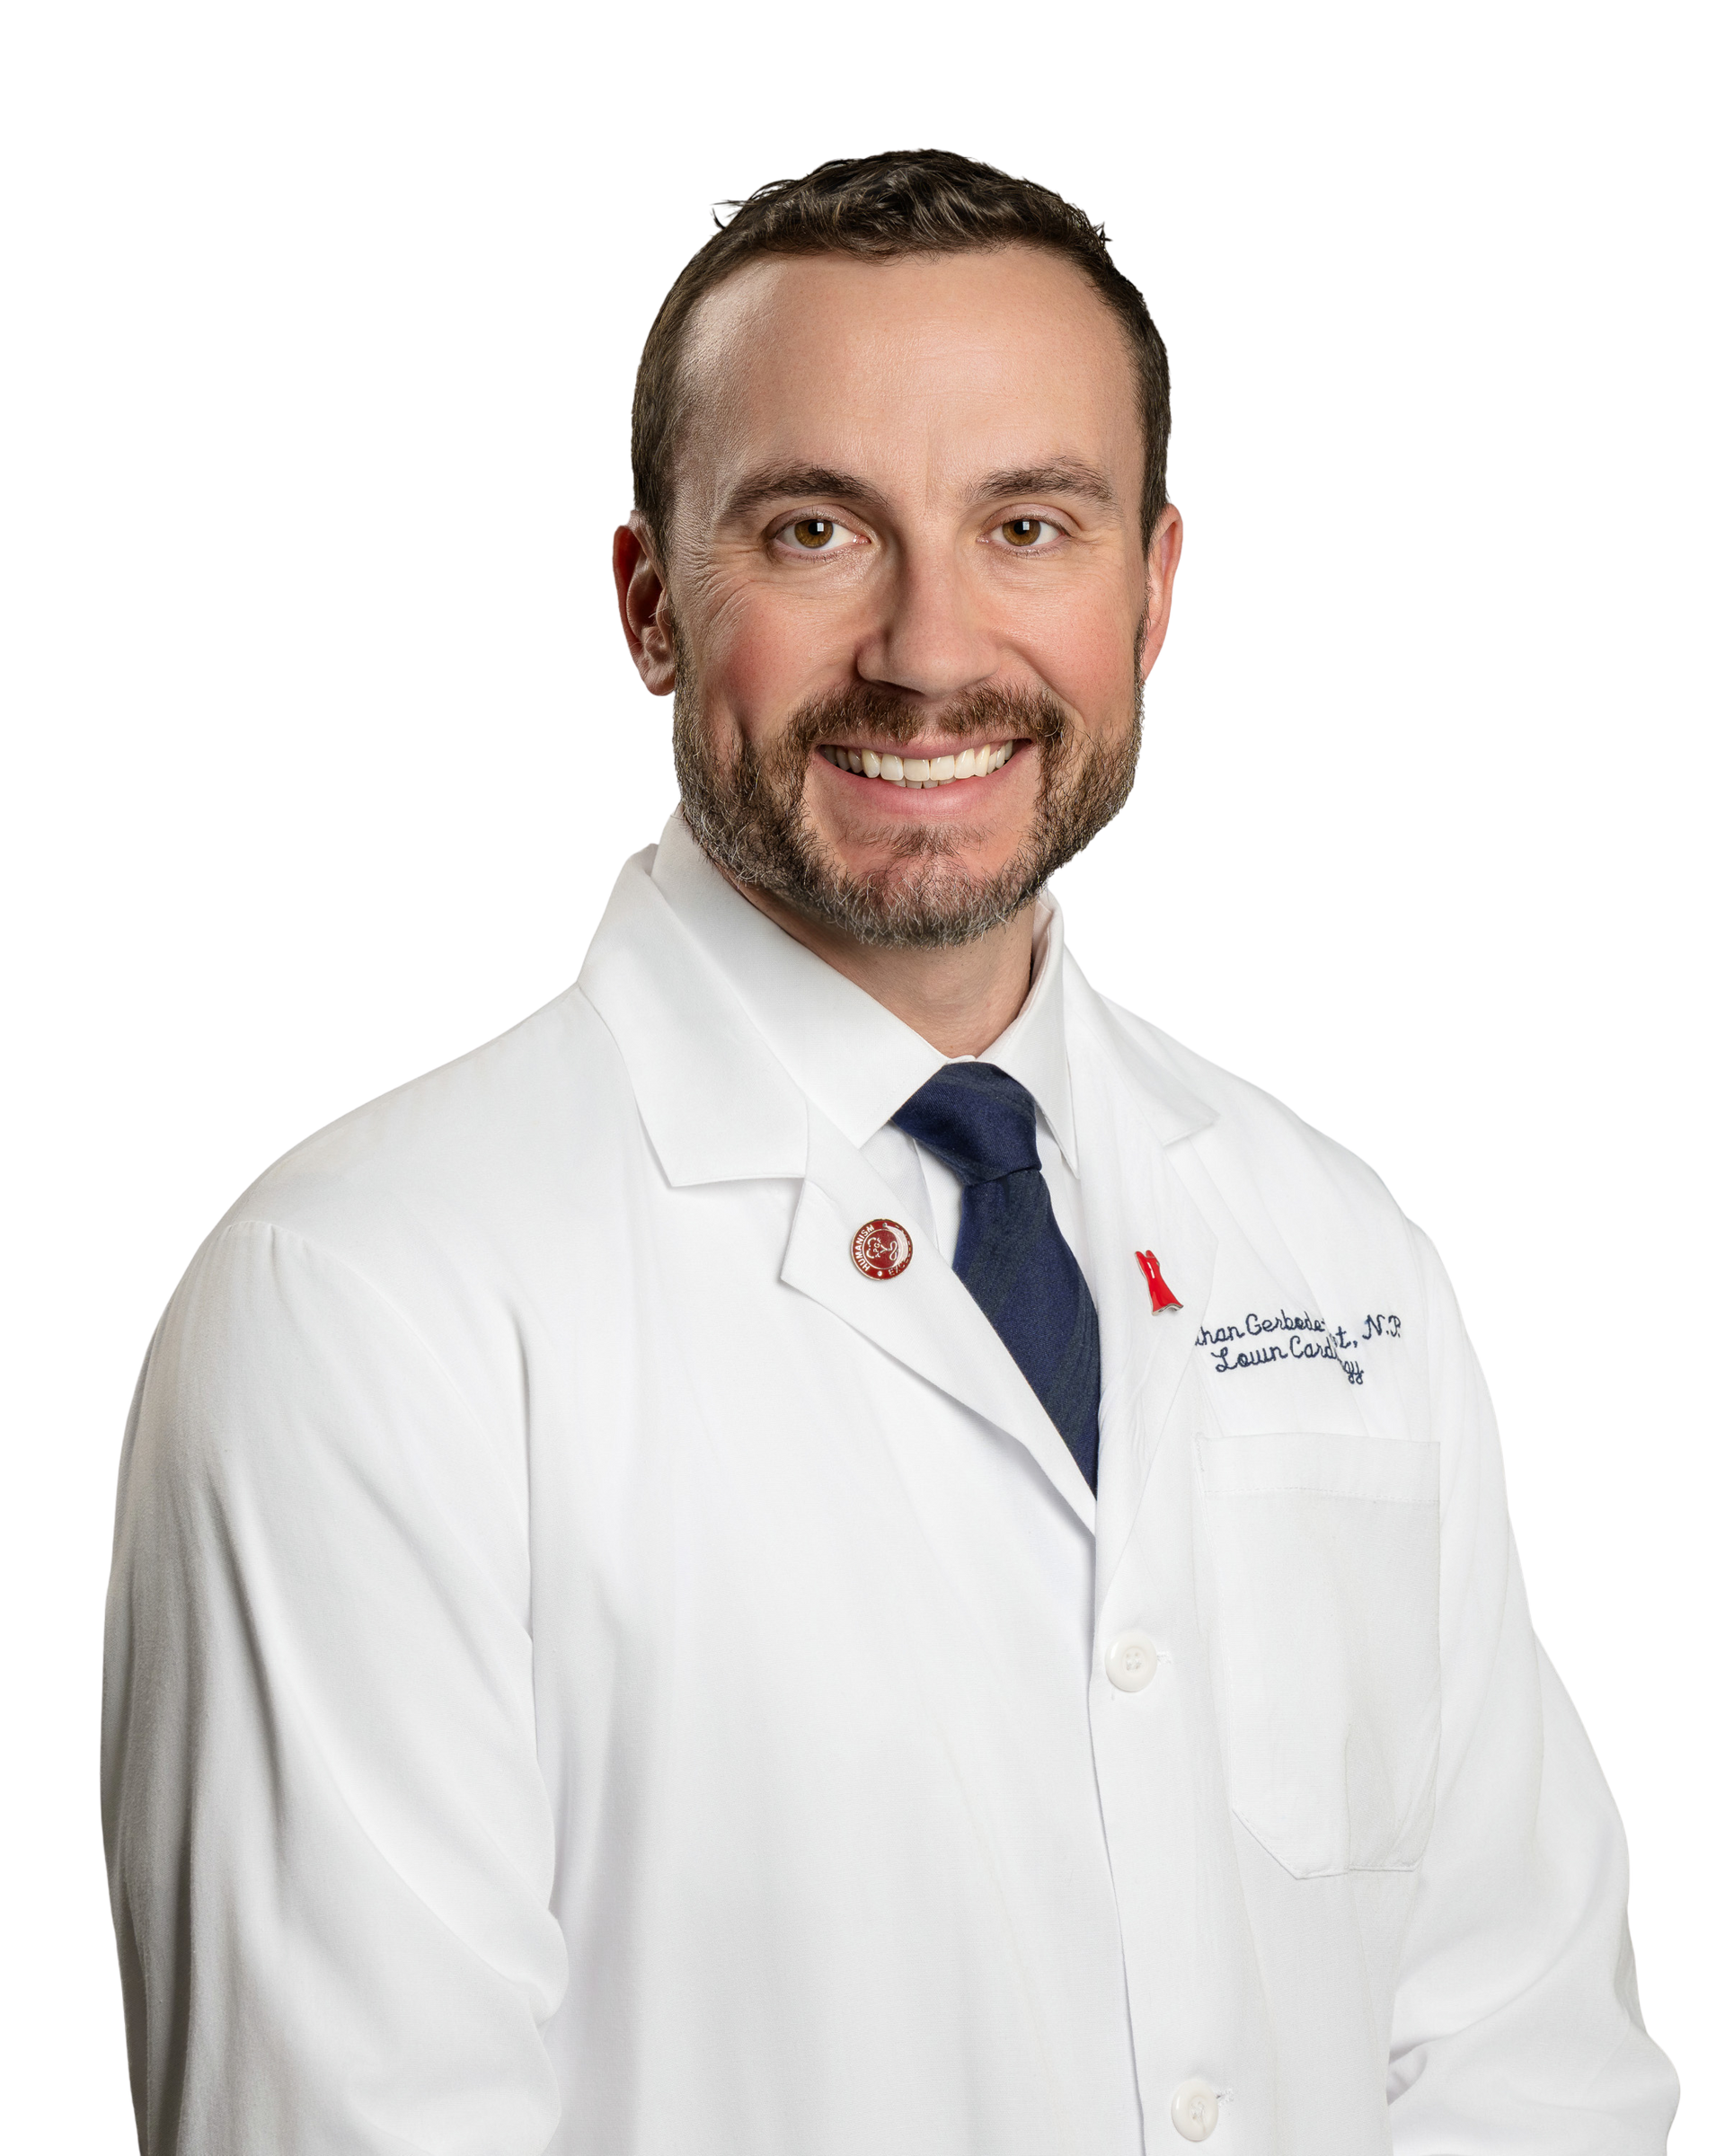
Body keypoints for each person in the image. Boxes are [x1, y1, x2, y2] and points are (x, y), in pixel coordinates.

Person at [100, 147, 1681, 2154]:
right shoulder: (362, 1305)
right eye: (818, 528)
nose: (933, 651)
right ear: (649, 604)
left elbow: (1525, 2067)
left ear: (1153, 590)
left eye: (1027, 525)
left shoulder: (1330, 1241)